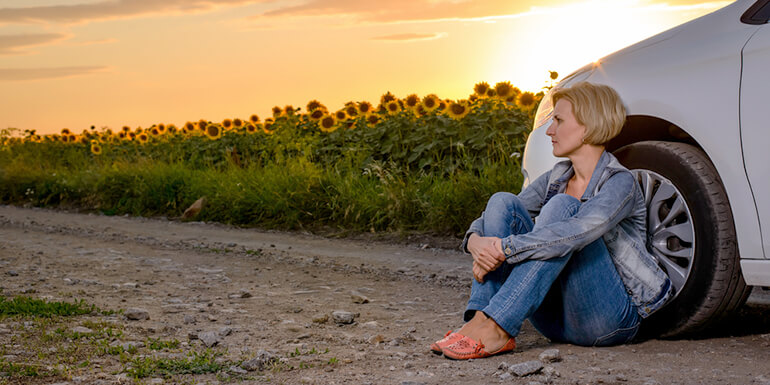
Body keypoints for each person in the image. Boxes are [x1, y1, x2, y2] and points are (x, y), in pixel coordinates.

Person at [431, 81, 673, 360]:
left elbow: (578, 233)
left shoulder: (620, 182)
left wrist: (504, 248)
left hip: (607, 319)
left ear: (587, 125)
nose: (549, 130)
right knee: (502, 201)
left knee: (562, 207)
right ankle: (480, 320)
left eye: (558, 120)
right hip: (555, 320)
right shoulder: (556, 177)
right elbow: (498, 215)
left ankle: (496, 325)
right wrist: (474, 242)